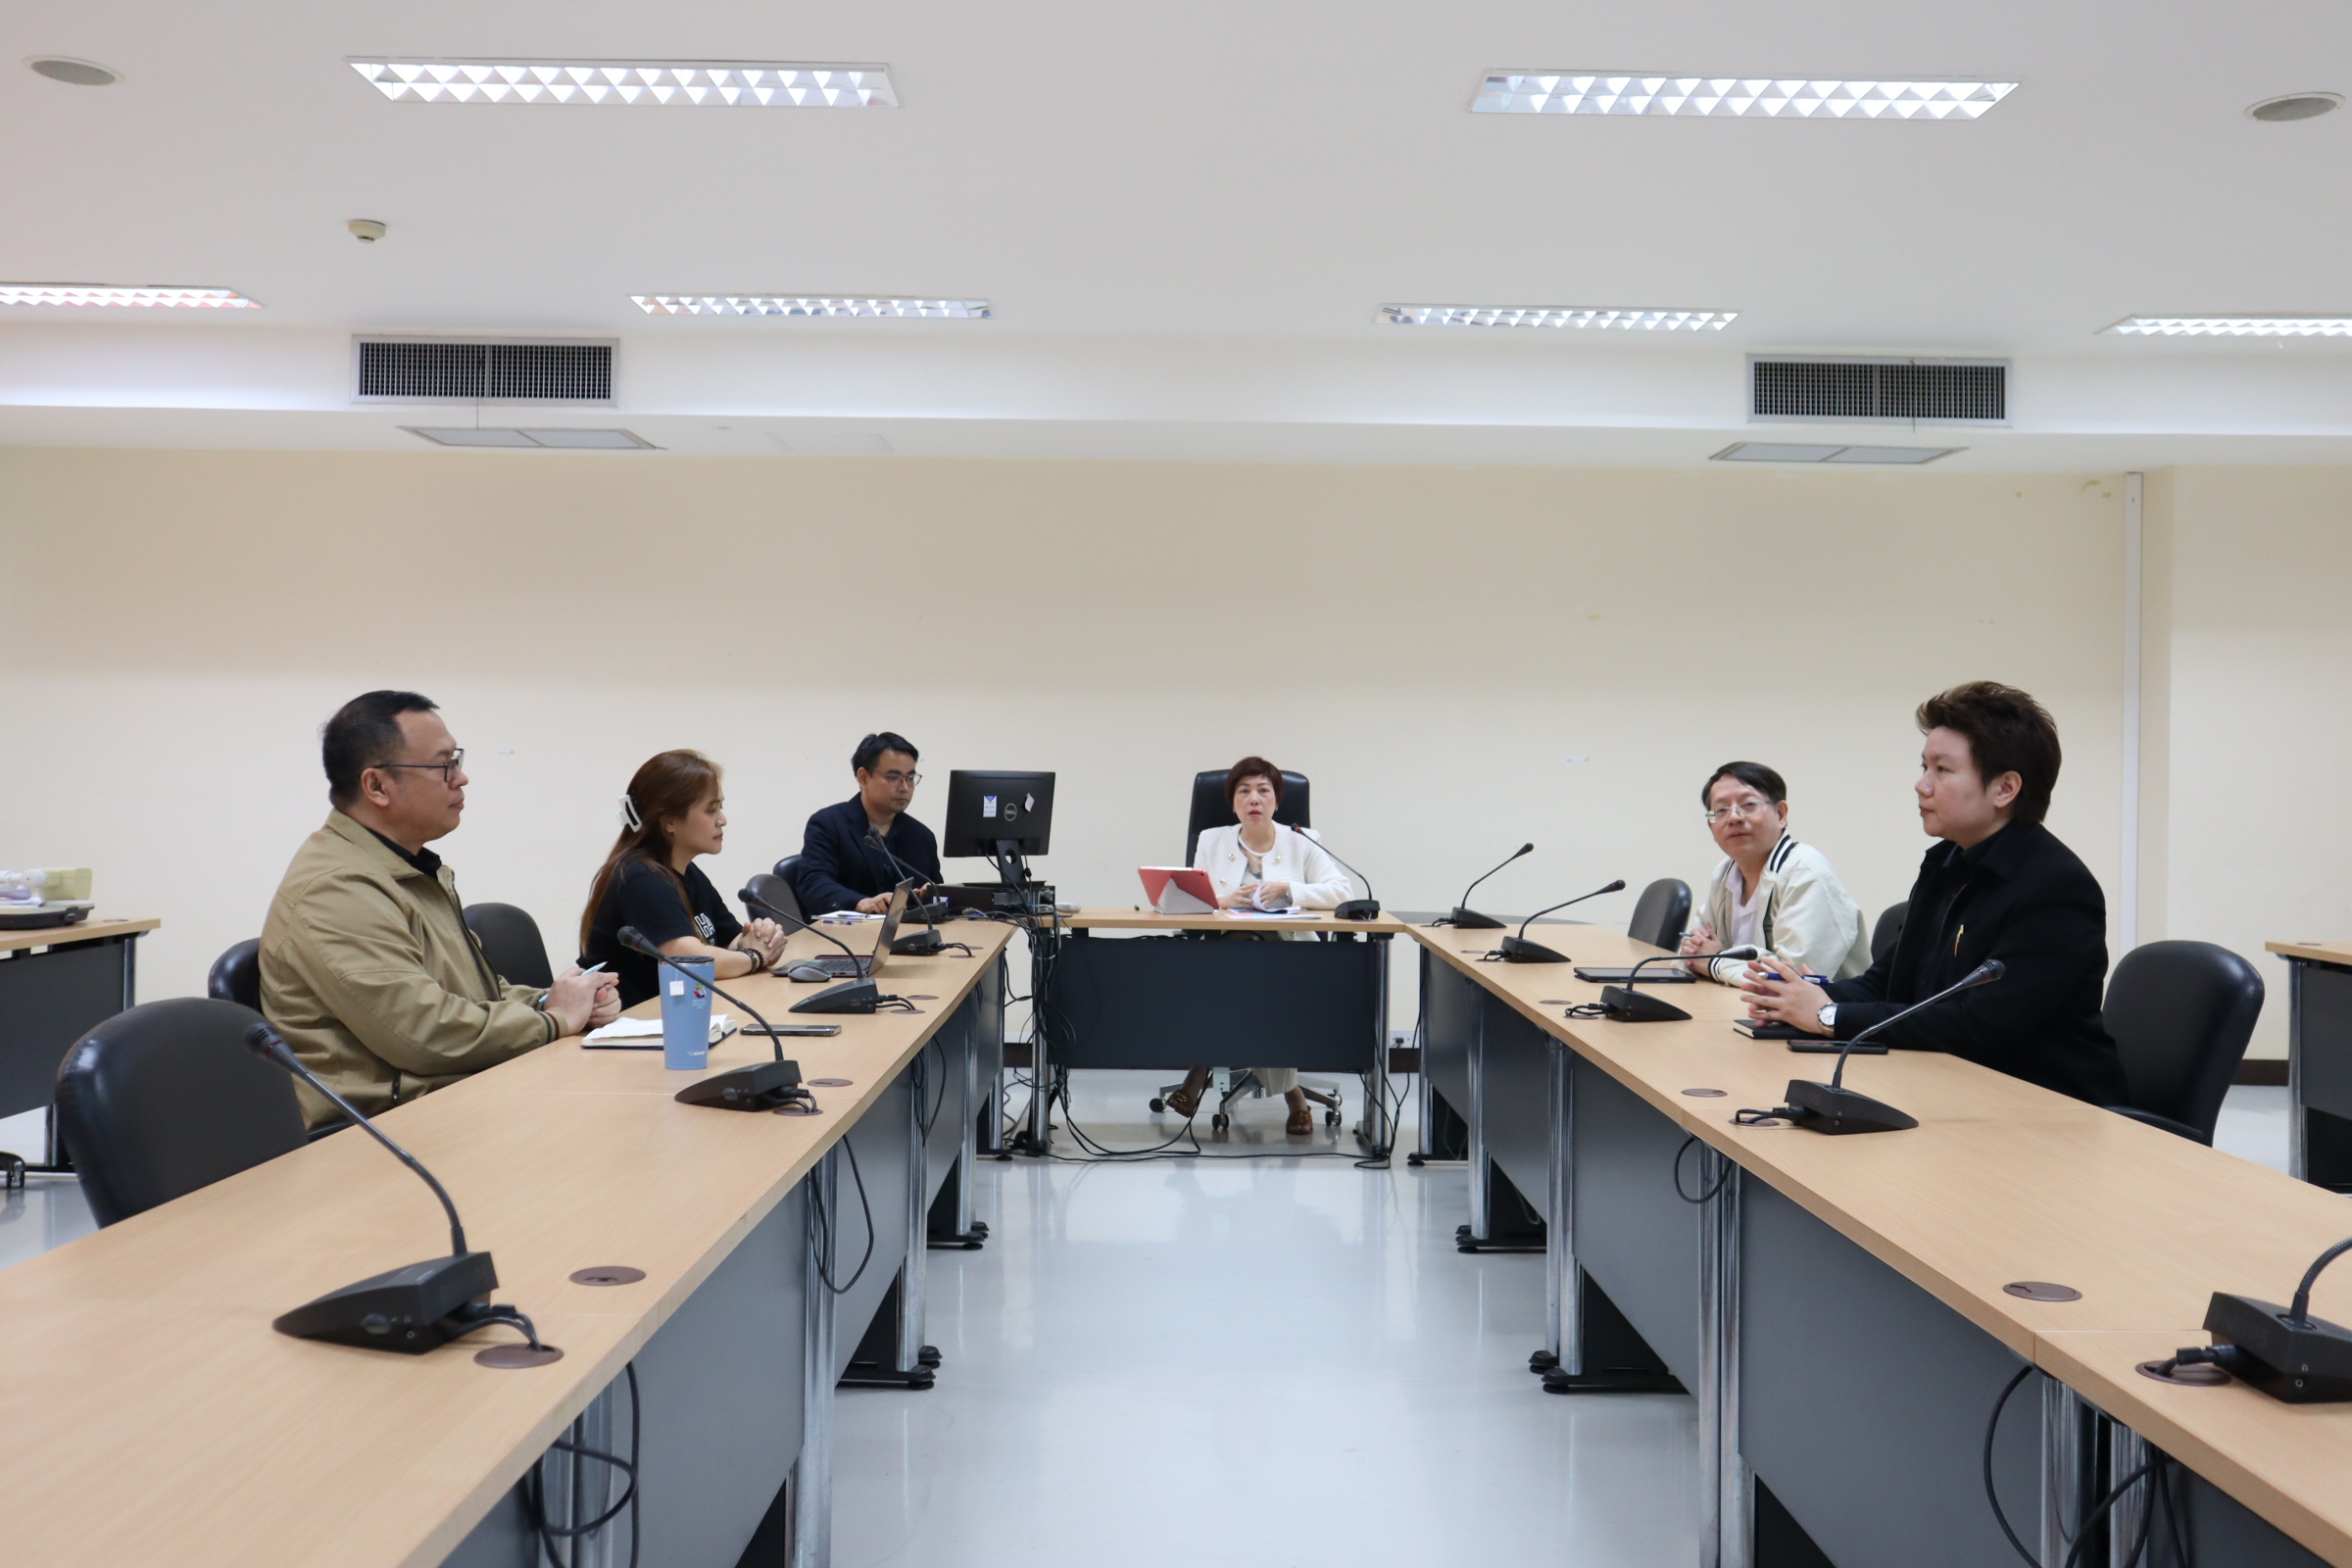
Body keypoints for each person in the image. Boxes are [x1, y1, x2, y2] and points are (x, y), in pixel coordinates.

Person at [1741, 681, 2127, 1105]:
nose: (1922, 785)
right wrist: (1794, 998)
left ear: (2005, 789)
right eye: (1924, 767)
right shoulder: (1946, 862)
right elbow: (1887, 984)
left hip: (2047, 1108)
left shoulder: (2057, 887)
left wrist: (1827, 1015)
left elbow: (1979, 1024)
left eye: (1942, 770)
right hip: (1949, 1087)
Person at [261, 691, 619, 1127]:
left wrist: (558, 1000)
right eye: (443, 764)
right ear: (377, 786)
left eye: (457, 760)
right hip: (380, 1129)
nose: (461, 778)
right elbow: (422, 1034)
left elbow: (476, 998)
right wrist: (555, 1020)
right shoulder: (336, 888)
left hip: (454, 1098)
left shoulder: (404, 868)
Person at [1164, 757, 1356, 1136]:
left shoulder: (1302, 840)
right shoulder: (1211, 840)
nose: (1254, 798)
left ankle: (1200, 1066)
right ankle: (1294, 1096)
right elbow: (1189, 897)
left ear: (1277, 801)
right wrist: (1222, 900)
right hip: (1227, 951)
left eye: (1263, 791)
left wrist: (1290, 890)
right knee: (1256, 974)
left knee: (1257, 973)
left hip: (1290, 953)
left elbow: (1343, 891)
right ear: (1233, 803)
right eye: (1244, 791)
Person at [581, 751, 791, 1009]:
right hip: (631, 1021)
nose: (722, 820)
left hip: (675, 1013)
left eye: (721, 808)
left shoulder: (688, 873)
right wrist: (755, 957)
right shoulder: (640, 878)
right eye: (711, 810)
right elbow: (691, 960)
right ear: (670, 821)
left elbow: (731, 941)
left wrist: (764, 938)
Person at [1679, 761, 1871, 985]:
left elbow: (1796, 978)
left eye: (1748, 805)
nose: (1734, 818)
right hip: (1742, 1001)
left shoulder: (1806, 872)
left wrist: (1716, 961)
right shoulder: (1725, 873)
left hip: (1827, 1005)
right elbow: (1695, 951)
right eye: (1721, 810)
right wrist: (1696, 952)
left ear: (1780, 814)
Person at [790, 731, 945, 916]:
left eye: (910, 778)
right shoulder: (828, 824)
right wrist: (860, 903)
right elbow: (813, 883)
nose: (905, 787)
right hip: (846, 931)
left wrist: (930, 896)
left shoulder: (922, 837)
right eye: (893, 777)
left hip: (910, 932)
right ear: (863, 777)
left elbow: (935, 889)